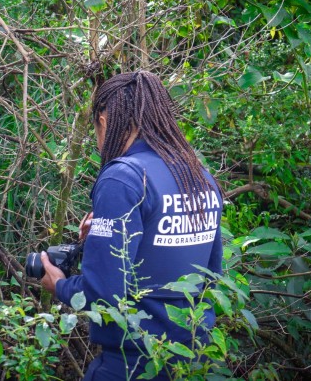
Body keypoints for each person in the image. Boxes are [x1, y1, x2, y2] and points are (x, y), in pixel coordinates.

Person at [40, 71, 223, 380]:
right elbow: (210, 274)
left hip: (133, 362)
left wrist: (59, 285)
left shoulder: (123, 177)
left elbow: (103, 293)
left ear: (105, 120)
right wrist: (94, 243)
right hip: (193, 358)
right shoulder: (197, 174)